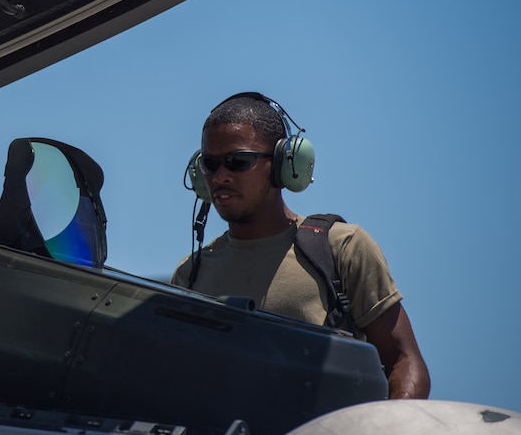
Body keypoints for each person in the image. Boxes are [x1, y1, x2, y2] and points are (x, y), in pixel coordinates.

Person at [171, 92, 430, 400]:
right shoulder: (190, 276)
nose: (220, 177)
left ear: (283, 164)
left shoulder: (341, 247)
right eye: (209, 164)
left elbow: (404, 360)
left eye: (238, 162)